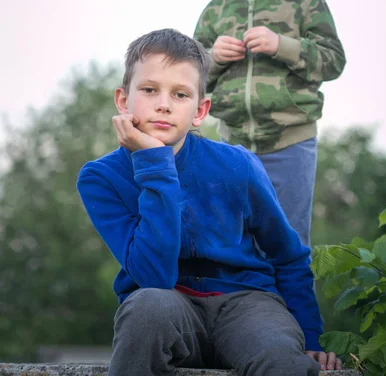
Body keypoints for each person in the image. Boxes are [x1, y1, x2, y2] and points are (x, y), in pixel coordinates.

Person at [77, 28, 342, 376]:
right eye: (149, 89)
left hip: (248, 305)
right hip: (167, 308)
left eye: (180, 94)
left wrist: (311, 336)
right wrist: (154, 162)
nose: (164, 103)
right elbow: (153, 276)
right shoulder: (101, 177)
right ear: (123, 100)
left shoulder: (236, 165)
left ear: (200, 110)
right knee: (145, 310)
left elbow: (288, 255)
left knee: (278, 356)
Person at [194, 0, 346, 247]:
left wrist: (283, 46)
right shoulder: (216, 11)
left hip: (290, 143)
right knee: (231, 240)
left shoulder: (305, 1)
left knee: (288, 242)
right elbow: (190, 76)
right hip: (231, 146)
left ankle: (290, 306)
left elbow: (333, 60)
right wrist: (213, 57)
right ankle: (236, 303)